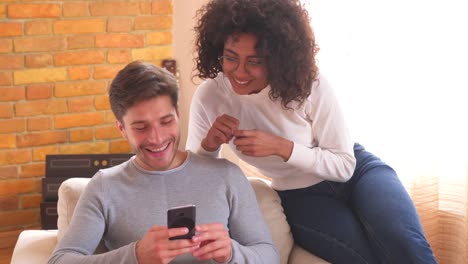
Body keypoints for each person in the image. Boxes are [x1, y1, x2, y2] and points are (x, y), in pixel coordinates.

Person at [186, 0, 437, 263]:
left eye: (254, 62)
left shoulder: (307, 84)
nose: (239, 72)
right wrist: (209, 145)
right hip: (300, 197)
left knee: (407, 245)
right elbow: (194, 177)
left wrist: (282, 148)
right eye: (231, 58)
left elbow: (344, 165)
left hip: (359, 173)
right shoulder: (210, 97)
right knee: (364, 258)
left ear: (277, 58)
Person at [48, 61, 279, 264]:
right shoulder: (104, 187)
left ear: (178, 114)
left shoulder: (226, 176)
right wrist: (135, 257)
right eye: (141, 127)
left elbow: (268, 255)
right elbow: (60, 260)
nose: (157, 139)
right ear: (122, 128)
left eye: (166, 121)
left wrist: (231, 253)